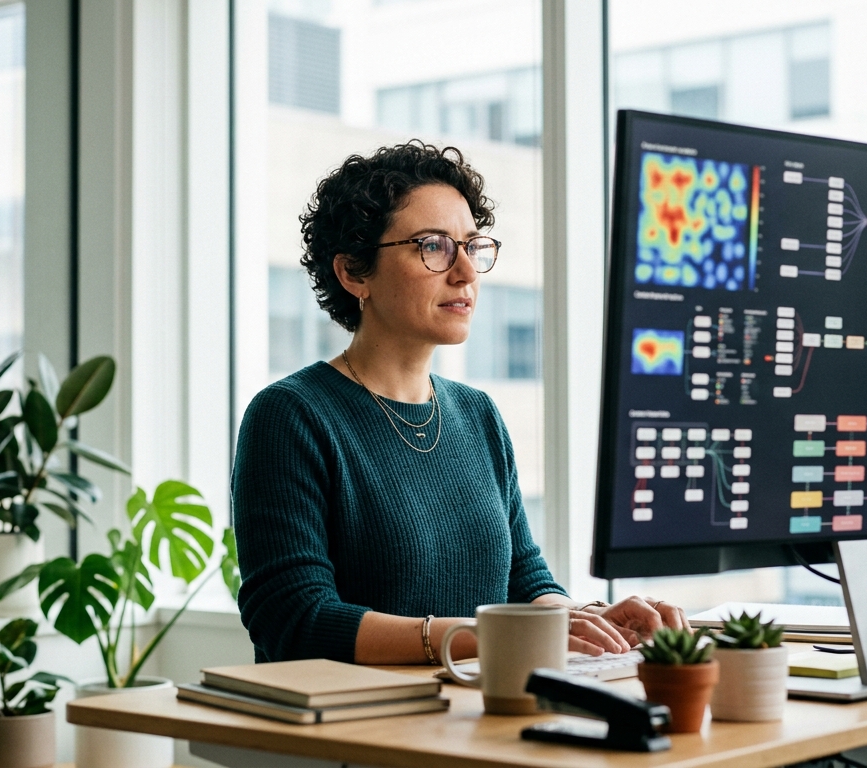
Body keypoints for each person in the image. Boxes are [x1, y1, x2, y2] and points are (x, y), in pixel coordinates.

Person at [232, 141, 687, 665]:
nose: (466, 272)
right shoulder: (291, 415)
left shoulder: (478, 414)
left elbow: (522, 572)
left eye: (472, 246)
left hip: (476, 712)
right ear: (354, 273)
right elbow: (293, 619)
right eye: (434, 246)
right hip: (353, 730)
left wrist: (577, 622)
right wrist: (485, 636)